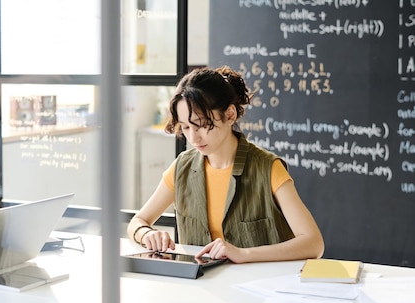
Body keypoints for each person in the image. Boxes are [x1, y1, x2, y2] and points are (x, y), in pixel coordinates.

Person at [128, 66, 324, 263]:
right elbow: (138, 221)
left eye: (202, 124)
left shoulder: (268, 168)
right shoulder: (182, 168)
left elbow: (313, 243)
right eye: (186, 127)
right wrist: (146, 234)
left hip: (262, 288)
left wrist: (243, 254)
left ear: (230, 115)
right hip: (203, 289)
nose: (193, 137)